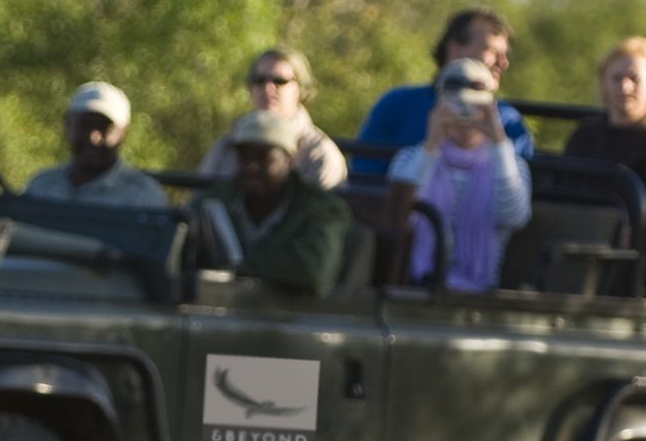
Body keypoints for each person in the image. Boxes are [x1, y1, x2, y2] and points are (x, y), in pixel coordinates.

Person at [383, 58, 532, 291]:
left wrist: (498, 141)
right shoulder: (409, 157)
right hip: (414, 285)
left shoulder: (510, 163)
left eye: (475, 104)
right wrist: (431, 145)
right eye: (456, 103)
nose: (464, 112)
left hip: (480, 290)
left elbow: (514, 216)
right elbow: (399, 213)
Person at [351, 7, 533, 179]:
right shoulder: (397, 104)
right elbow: (365, 176)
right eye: (491, 50)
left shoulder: (508, 120)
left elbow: (521, 185)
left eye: (504, 54)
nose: (503, 63)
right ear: (454, 50)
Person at [194, 109, 355, 297]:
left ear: (289, 160)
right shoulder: (217, 199)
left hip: (294, 311)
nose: (252, 167)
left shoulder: (321, 209)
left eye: (265, 158)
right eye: (244, 157)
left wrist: (239, 268)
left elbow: (312, 269)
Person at [563, 37, 646, 275]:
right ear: (603, 82)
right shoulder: (584, 136)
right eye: (616, 78)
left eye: (634, 79)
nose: (625, 87)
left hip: (627, 263)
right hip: (572, 246)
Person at [199, 48, 348, 190]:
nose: (268, 88)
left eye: (279, 81)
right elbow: (200, 199)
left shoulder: (320, 154)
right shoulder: (227, 146)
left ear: (301, 89)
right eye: (259, 80)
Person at [23, 81, 169, 207]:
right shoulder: (41, 187)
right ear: (67, 125)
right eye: (84, 125)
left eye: (104, 128)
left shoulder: (142, 196)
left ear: (124, 132)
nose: (94, 137)